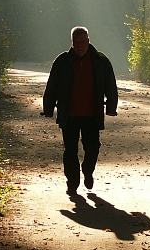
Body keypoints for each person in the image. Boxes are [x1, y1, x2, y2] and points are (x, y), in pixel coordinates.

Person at [43, 26, 118, 195]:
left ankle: (87, 170)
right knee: (70, 150)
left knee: (93, 148)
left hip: (92, 115)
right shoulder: (62, 61)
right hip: (69, 115)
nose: (80, 46)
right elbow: (52, 85)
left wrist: (111, 107)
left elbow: (110, 84)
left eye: (83, 42)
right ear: (72, 43)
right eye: (76, 43)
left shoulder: (100, 61)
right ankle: (72, 182)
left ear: (88, 41)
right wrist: (48, 108)